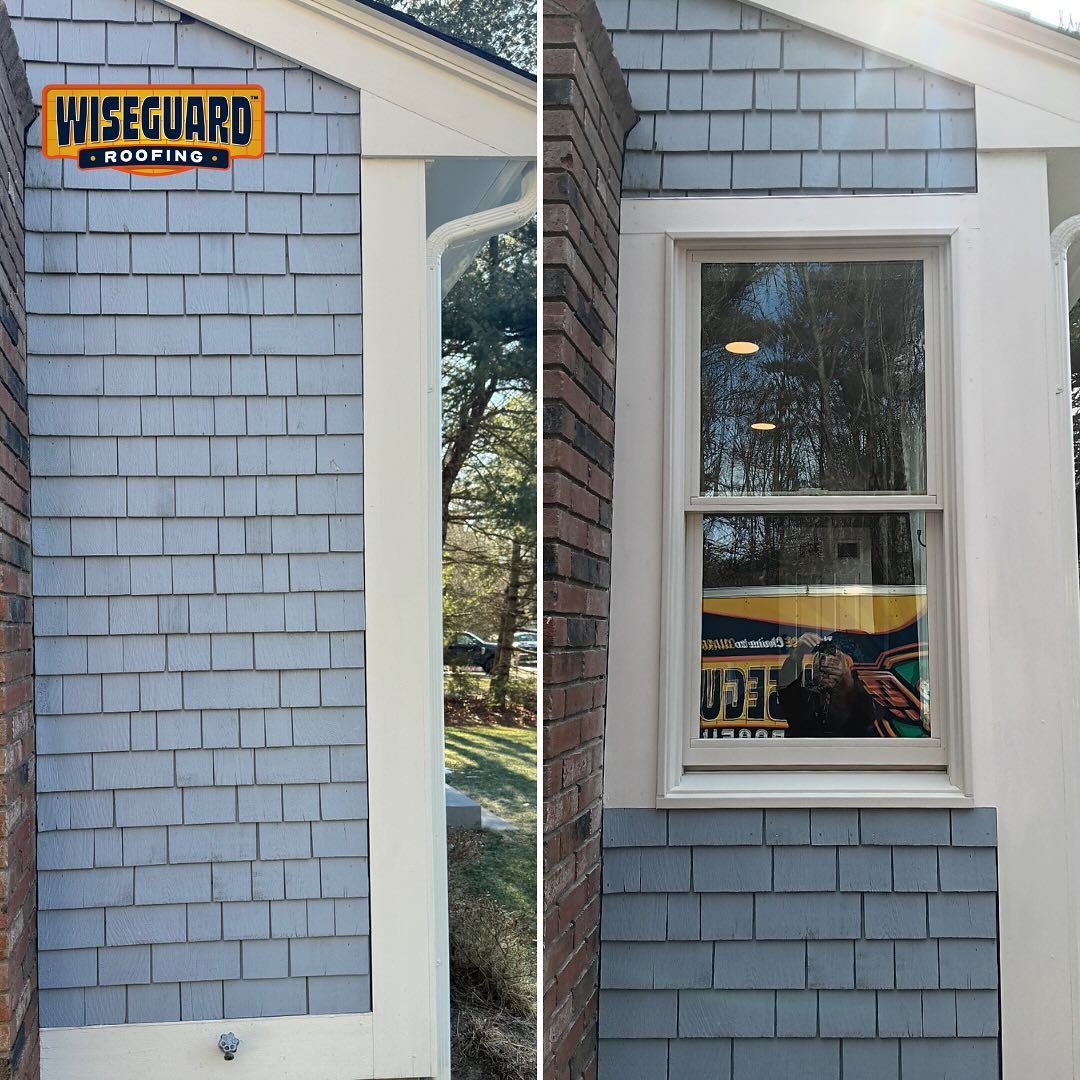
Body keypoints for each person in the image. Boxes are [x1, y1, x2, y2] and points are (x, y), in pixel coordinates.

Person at [777, 631, 877, 738]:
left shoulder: (861, 700)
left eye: (834, 662)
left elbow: (867, 716)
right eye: (820, 660)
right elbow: (787, 689)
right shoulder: (806, 700)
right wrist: (796, 655)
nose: (825, 665)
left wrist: (847, 682)